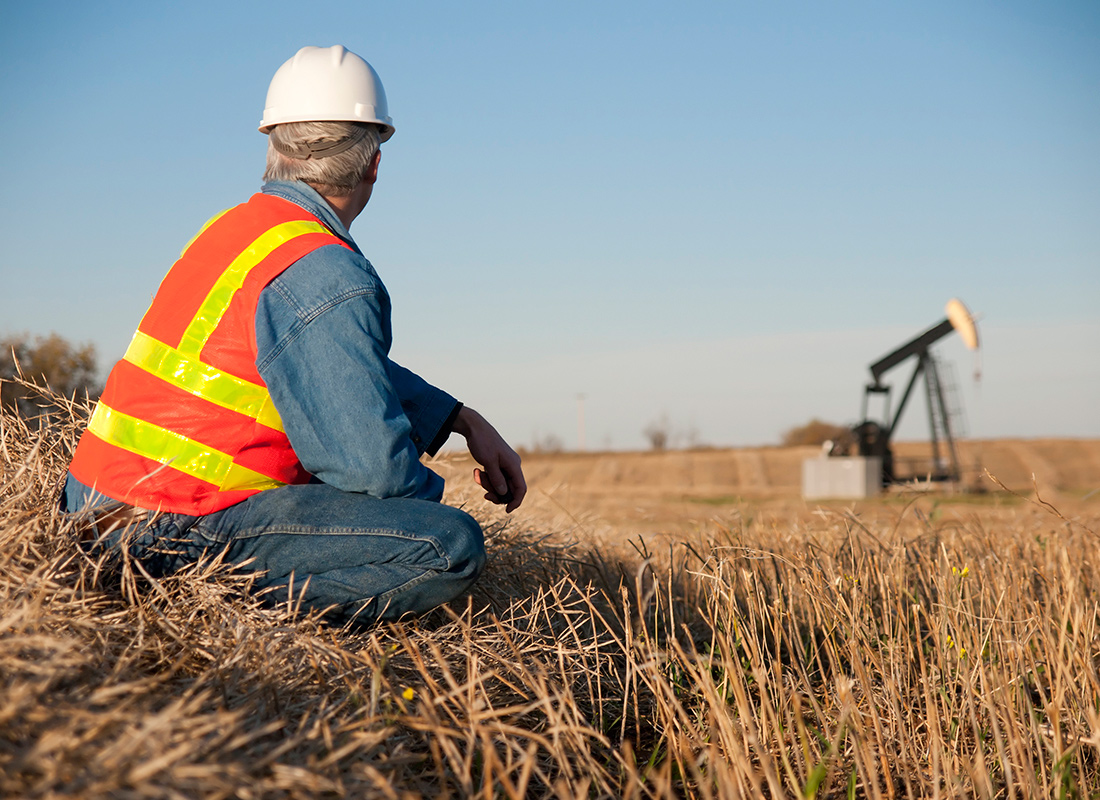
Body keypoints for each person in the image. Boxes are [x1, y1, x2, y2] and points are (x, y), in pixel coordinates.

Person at [61, 45, 526, 625]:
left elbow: (321, 354)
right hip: (171, 536)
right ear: (374, 162)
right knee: (446, 543)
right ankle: (204, 609)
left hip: (91, 507)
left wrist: (457, 417)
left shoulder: (232, 230)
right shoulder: (327, 270)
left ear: (274, 147)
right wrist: (420, 506)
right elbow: (372, 473)